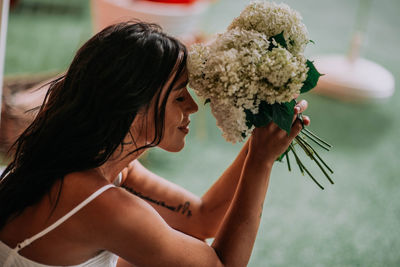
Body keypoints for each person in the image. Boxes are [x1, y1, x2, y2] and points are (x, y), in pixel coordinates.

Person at [0, 21, 310, 267]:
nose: (192, 106)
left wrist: (261, 136)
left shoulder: (96, 160)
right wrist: (260, 161)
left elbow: (202, 218)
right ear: (132, 108)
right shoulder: (104, 205)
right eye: (178, 95)